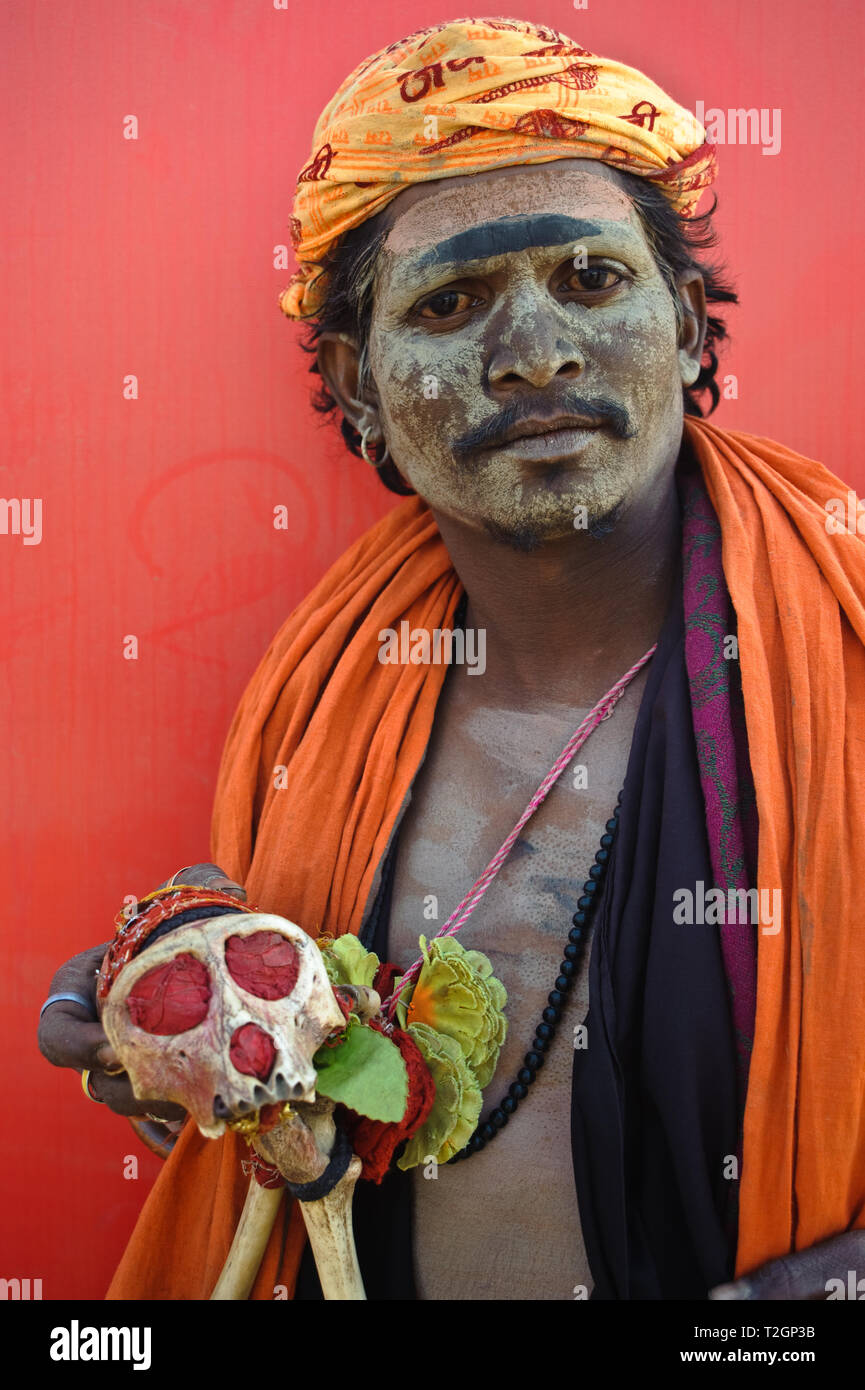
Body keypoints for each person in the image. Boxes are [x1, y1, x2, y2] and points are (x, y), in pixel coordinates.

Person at [38, 17, 865, 1301]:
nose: (533, 353)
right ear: (355, 383)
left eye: (590, 279)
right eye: (451, 302)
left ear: (693, 326)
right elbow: (298, 1112)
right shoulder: (317, 709)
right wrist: (189, 990)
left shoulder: (843, 654)